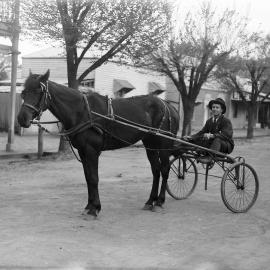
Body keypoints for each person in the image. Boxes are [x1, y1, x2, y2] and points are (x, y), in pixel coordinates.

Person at [184, 98, 234, 164]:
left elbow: (226, 135)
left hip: (225, 145)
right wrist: (191, 137)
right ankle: (199, 151)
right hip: (214, 145)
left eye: (217, 107)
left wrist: (212, 135)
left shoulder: (226, 121)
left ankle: (210, 157)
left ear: (222, 110)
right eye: (213, 107)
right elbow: (202, 132)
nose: (214, 109)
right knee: (201, 137)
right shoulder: (209, 121)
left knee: (217, 139)